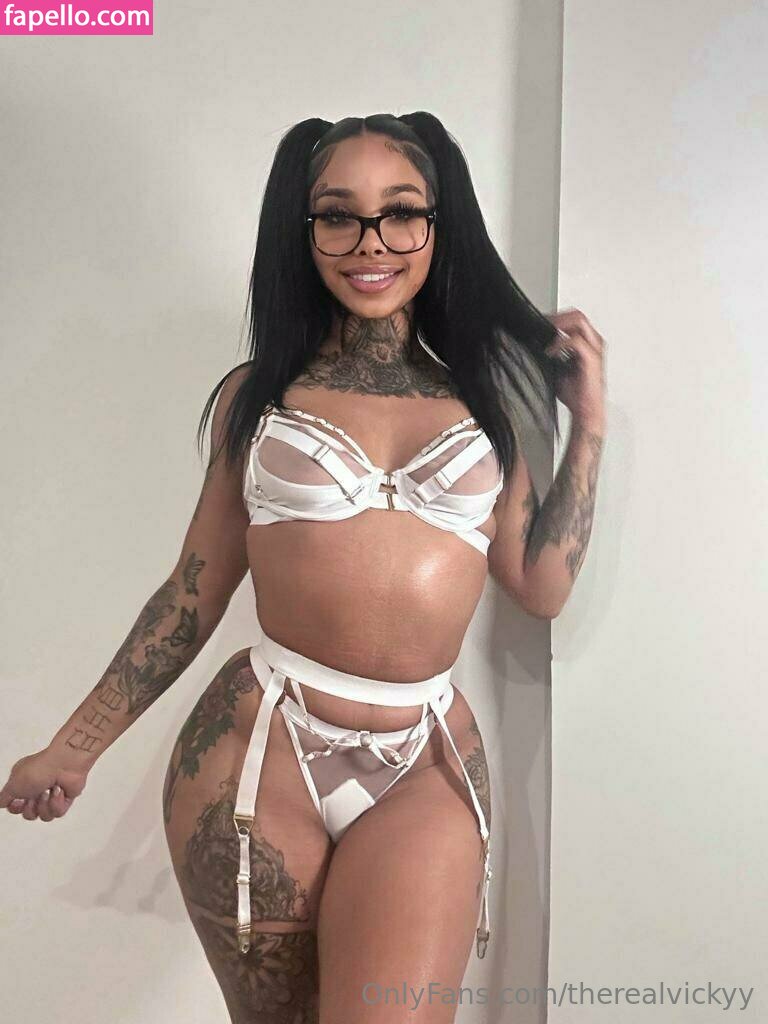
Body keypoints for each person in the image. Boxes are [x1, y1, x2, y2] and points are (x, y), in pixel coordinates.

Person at [1, 112, 606, 1023]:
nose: (370, 242)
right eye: (337, 215)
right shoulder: (259, 398)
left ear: (439, 225)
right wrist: (74, 747)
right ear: (304, 230)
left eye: (400, 212)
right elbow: (194, 591)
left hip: (425, 761)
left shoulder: (485, 402)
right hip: (259, 752)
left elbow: (542, 585)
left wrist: (589, 428)